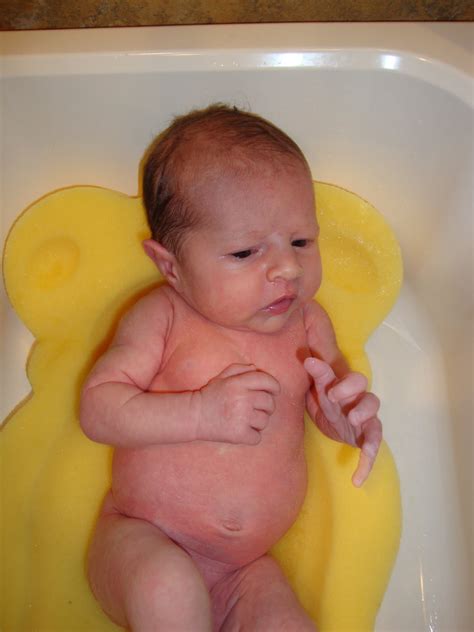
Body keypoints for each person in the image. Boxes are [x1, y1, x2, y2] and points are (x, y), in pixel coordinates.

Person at [80, 104, 382, 631]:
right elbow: (98, 409)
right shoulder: (162, 317)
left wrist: (345, 421)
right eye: (245, 252)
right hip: (142, 539)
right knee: (168, 590)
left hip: (244, 569)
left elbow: (324, 400)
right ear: (170, 266)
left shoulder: (309, 324)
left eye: (300, 241)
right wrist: (200, 414)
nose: (286, 268)